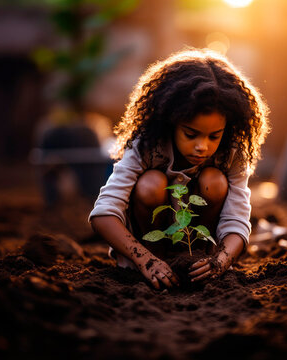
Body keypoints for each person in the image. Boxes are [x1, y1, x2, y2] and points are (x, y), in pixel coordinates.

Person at [89, 48, 269, 290]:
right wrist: (145, 259)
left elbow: (237, 220)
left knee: (214, 180)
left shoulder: (231, 154)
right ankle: (157, 260)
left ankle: (196, 257)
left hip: (203, 262)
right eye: (191, 134)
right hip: (145, 256)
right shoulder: (147, 146)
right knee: (151, 183)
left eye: (214, 136)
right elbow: (104, 213)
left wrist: (220, 261)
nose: (202, 147)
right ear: (170, 121)